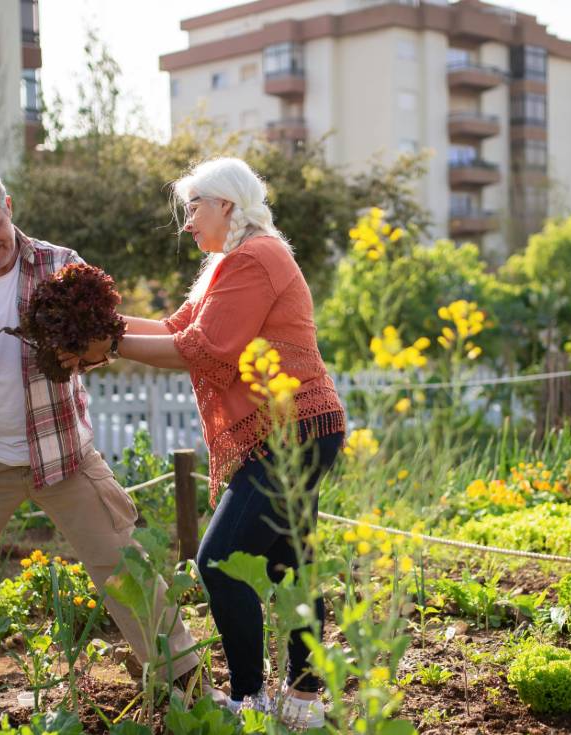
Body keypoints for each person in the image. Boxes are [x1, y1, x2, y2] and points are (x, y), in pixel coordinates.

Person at [0, 162, 199, 692]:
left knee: (126, 566)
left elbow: (104, 346)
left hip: (64, 457)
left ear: (7, 208)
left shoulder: (61, 265)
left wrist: (79, 348)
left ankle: (185, 682)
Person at [62, 157, 345, 727]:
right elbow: (174, 331)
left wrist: (106, 342)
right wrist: (98, 322)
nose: (187, 222)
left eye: (194, 208)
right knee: (294, 565)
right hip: (292, 430)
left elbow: (206, 349)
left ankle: (250, 700)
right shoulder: (230, 264)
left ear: (227, 205)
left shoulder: (257, 257)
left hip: (291, 432)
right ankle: (306, 700)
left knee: (217, 563)